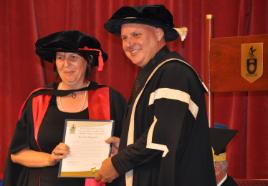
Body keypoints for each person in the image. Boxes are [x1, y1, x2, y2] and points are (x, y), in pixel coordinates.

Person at [96, 4, 216, 186]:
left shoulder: (174, 72)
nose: (129, 44)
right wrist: (125, 145)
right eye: (124, 38)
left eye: (137, 35)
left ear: (159, 34)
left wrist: (117, 163)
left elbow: (162, 135)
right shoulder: (153, 74)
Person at [3, 30, 126, 186]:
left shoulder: (109, 98)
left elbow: (129, 148)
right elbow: (17, 154)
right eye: (60, 57)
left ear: (87, 61)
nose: (66, 64)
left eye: (73, 57)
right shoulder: (38, 101)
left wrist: (119, 149)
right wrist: (51, 158)